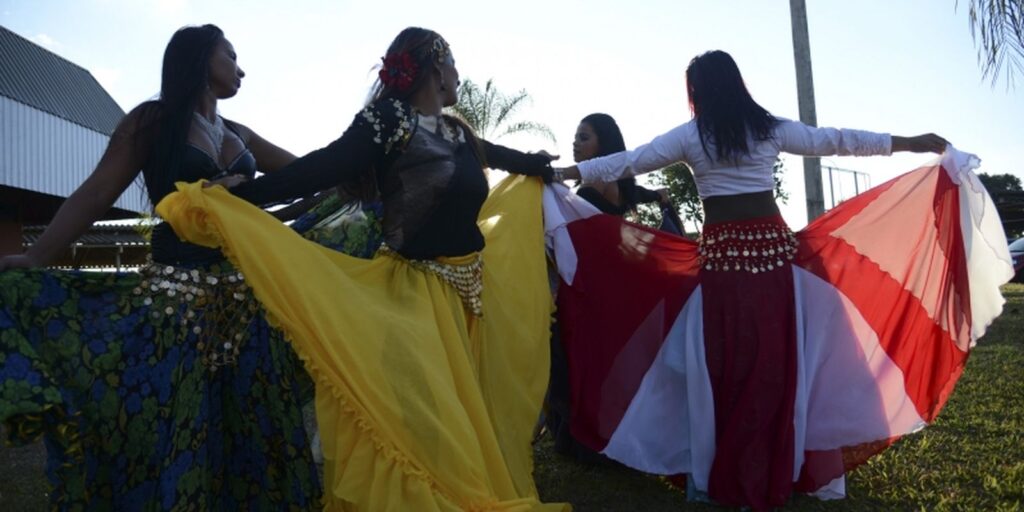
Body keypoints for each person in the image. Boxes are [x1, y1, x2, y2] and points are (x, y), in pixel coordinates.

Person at [548, 50, 1012, 509]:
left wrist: (570, 172)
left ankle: (738, 465)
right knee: (770, 364)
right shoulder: (754, 129)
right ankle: (762, 464)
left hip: (730, 265)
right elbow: (835, 139)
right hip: (766, 259)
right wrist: (906, 141)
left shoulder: (697, 135)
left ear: (699, 91)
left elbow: (631, 161)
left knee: (728, 365)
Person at [155, 27, 568, 511]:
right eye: (454, 63)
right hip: (413, 298)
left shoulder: (456, 132)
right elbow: (325, 166)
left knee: (457, 418)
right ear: (437, 64)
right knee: (426, 424)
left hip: (463, 299)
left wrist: (539, 165)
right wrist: (242, 196)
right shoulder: (389, 117)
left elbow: (499, 156)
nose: (459, 74)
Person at [0, 24, 325, 509]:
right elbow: (94, 194)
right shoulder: (152, 122)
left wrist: (359, 174)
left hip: (247, 306)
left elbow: (306, 173)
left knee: (252, 425)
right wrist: (36, 256)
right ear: (199, 59)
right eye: (231, 56)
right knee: (183, 422)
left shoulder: (240, 133)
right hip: (177, 306)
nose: (241, 69)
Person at [545, 112, 677, 461]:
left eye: (584, 136)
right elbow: (641, 195)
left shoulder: (591, 186)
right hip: (613, 283)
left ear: (604, 143)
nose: (576, 142)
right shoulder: (623, 182)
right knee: (607, 359)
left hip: (591, 284)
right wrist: (659, 197)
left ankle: (580, 437)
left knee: (574, 355)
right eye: (576, 136)